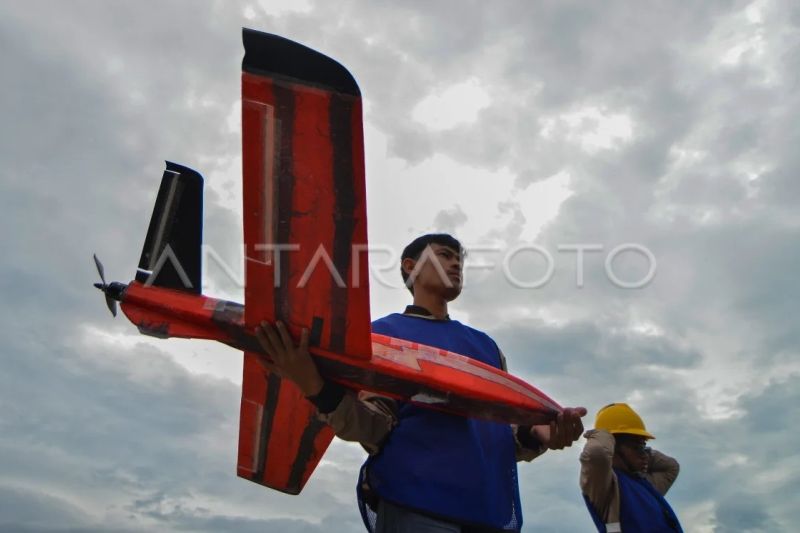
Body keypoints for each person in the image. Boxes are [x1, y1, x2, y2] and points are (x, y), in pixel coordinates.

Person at [255, 233, 586, 532]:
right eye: (444, 254)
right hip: (417, 504)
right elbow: (374, 427)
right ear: (410, 267)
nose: (456, 263)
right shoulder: (381, 336)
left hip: (491, 512)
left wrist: (537, 433)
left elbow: (497, 436)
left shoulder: (487, 347)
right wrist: (315, 387)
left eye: (459, 259)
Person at [580, 403, 683, 532]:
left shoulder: (645, 483)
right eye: (637, 447)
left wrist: (644, 451)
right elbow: (597, 452)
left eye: (644, 447)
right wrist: (603, 432)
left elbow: (671, 466)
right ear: (613, 447)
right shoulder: (605, 486)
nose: (644, 455)